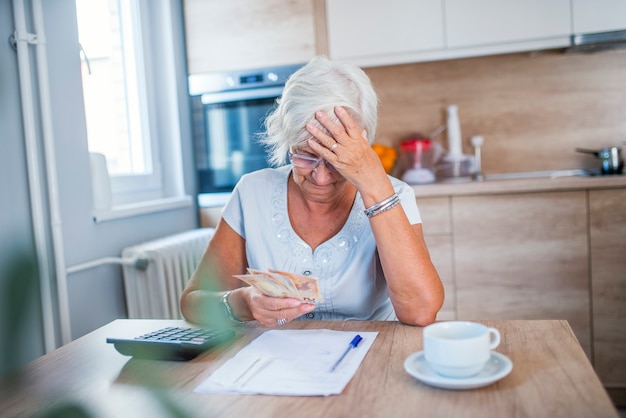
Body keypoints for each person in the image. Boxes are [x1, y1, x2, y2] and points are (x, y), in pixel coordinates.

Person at [180, 56, 444, 328]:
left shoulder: (394, 194)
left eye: (335, 159)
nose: (320, 177)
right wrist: (242, 302)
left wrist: (374, 184)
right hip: (275, 357)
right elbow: (192, 302)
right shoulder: (252, 192)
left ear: (361, 144)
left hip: (369, 355)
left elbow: (421, 313)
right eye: (305, 156)